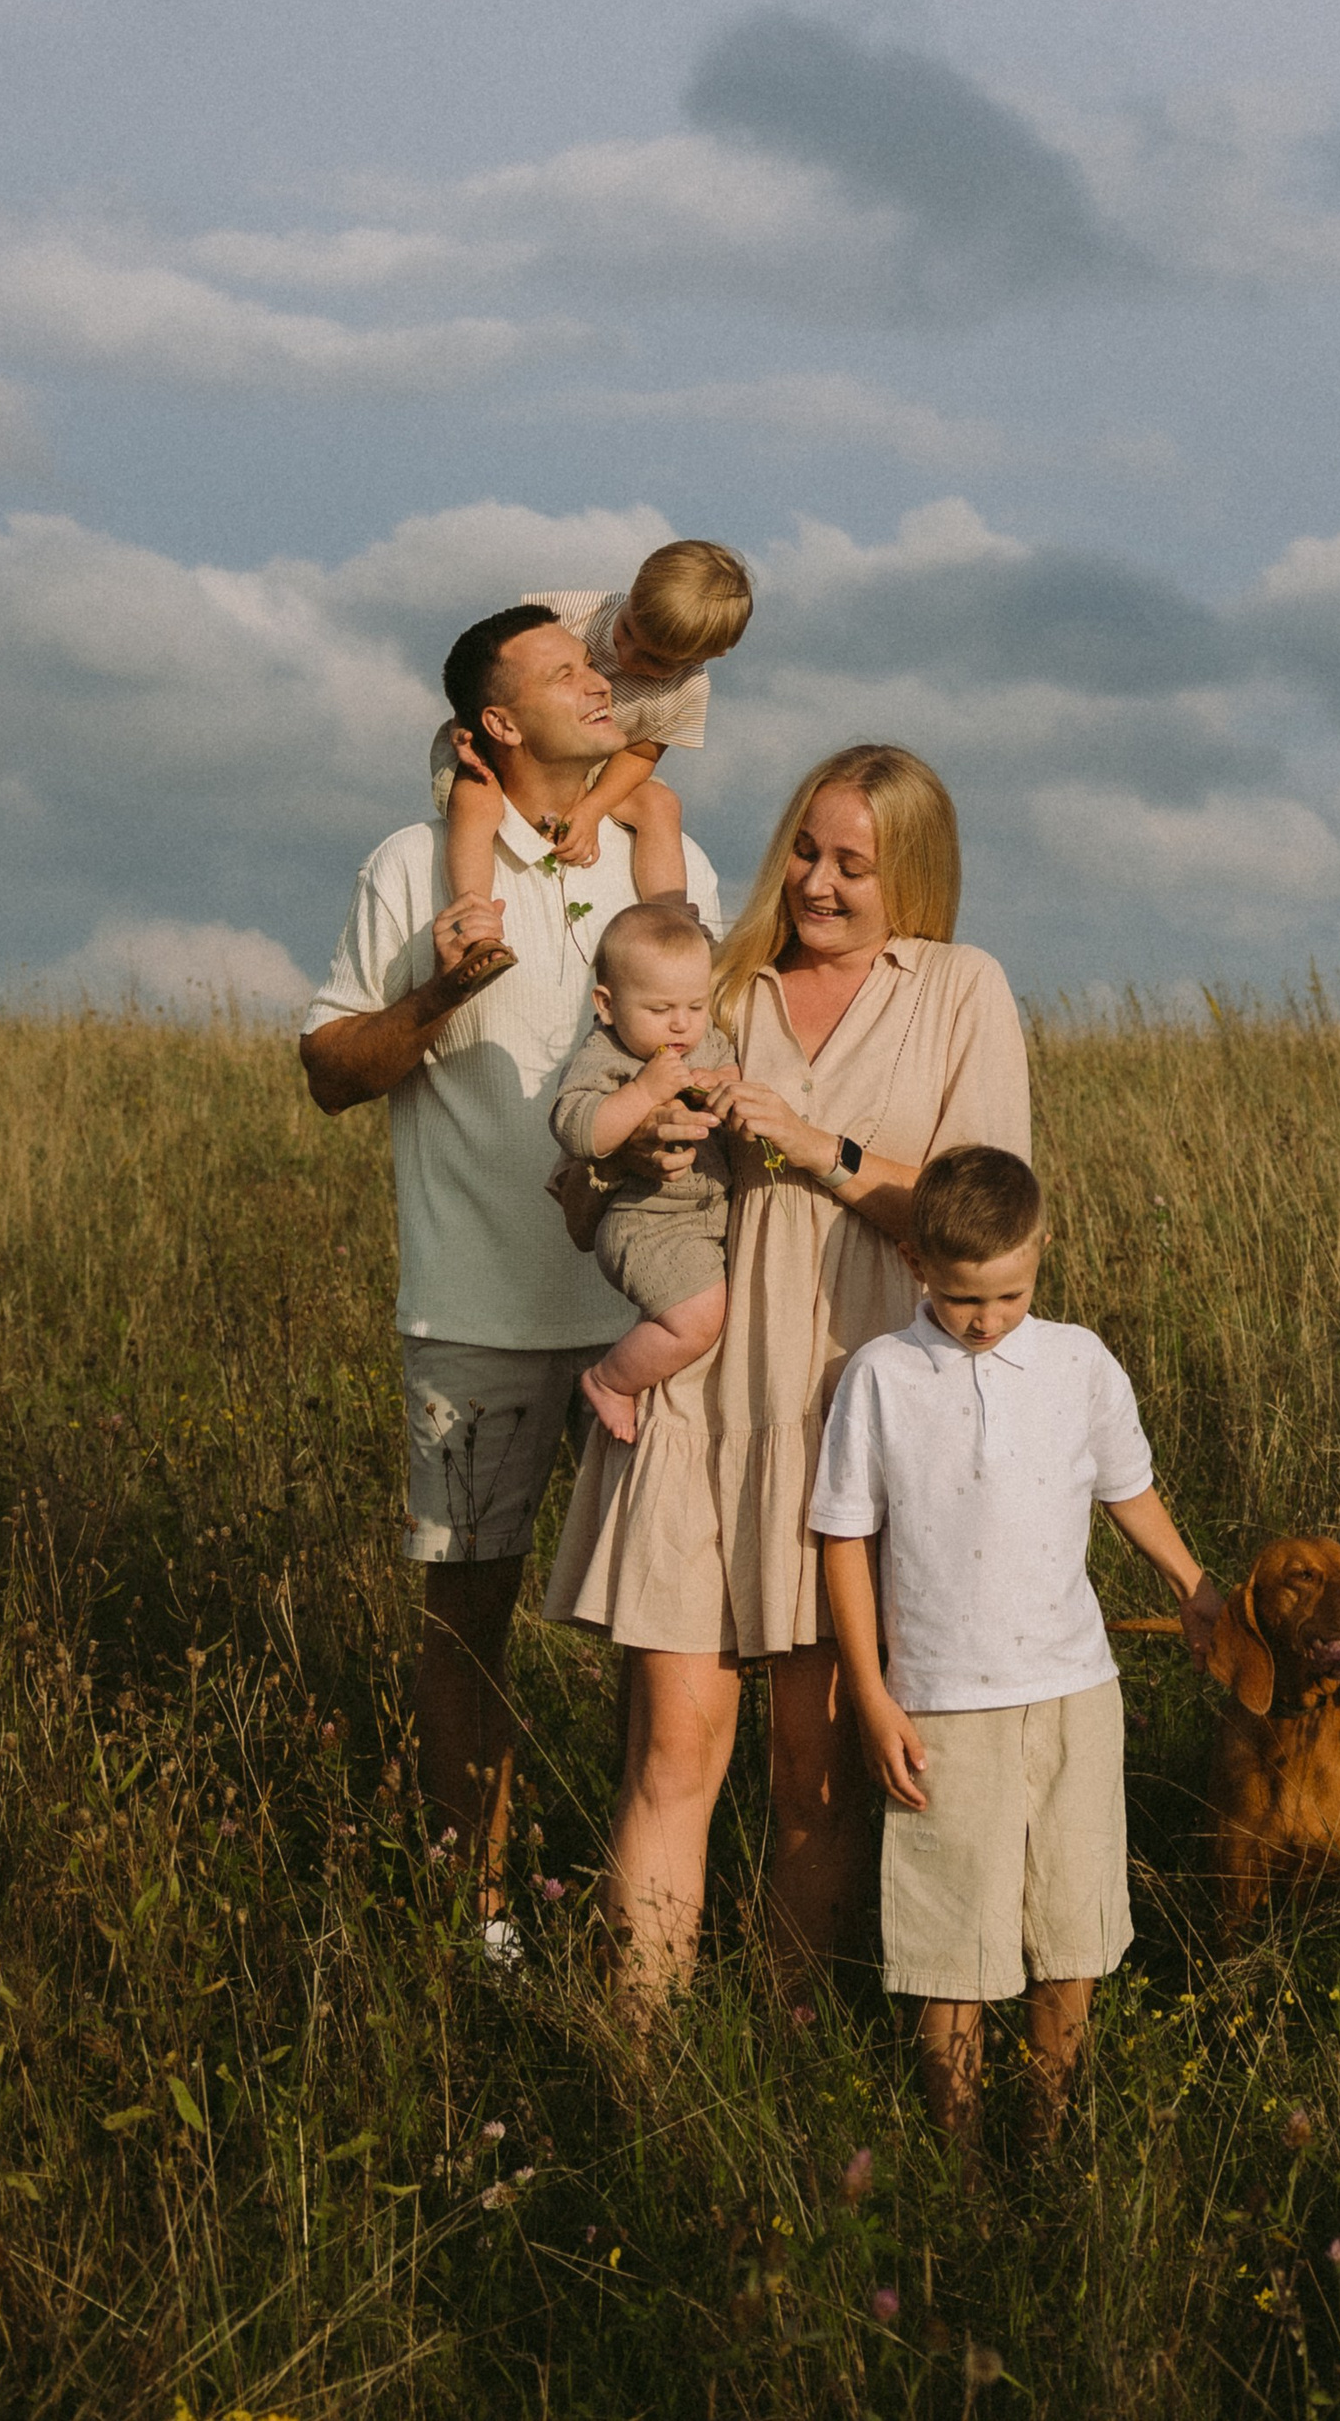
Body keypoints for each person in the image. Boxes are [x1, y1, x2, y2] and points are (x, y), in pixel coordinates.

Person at [543, 742, 1027, 2018]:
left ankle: (782, 2048)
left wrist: (816, 1146)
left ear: (910, 870)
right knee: (671, 1752)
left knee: (814, 1771)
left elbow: (986, 1228)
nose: (816, 882)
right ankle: (639, 2065)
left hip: (854, 1419)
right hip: (697, 1404)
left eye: (852, 864)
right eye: (805, 851)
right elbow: (574, 1188)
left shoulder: (961, 989)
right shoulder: (717, 986)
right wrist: (630, 1151)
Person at [300, 602, 721, 1965]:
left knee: (659, 1635)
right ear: (495, 720)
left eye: (594, 665)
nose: (596, 683)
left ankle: (636, 1916)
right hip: (474, 1317)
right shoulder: (414, 862)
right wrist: (435, 994)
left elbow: (709, 1049)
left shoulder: (670, 866)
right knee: (467, 1623)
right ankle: (478, 1923)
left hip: (646, 1318)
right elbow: (328, 1072)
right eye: (561, 672)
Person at [812, 1144, 1219, 2147]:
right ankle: (954, 2159)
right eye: (961, 1297)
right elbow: (843, 1539)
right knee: (950, 1941)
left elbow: (1127, 1487)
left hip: (1075, 1692)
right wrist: (870, 1695)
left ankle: (1049, 2132)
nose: (985, 1318)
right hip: (942, 1707)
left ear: (1040, 1254)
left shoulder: (1079, 1363)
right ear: (914, 1262)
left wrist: (1193, 1583)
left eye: (1008, 1293)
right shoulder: (880, 1376)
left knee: (1071, 1926)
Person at [433, 539, 750, 944]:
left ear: (711, 655)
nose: (627, 657)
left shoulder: (688, 689)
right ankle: (474, 915)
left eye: (655, 661)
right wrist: (465, 725)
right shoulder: (581, 612)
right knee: (475, 795)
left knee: (660, 804)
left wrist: (591, 810)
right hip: (502, 744)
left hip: (605, 764)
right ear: (630, 592)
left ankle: (670, 918)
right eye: (627, 630)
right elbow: (494, 666)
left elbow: (640, 755)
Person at [551, 900, 737, 1449]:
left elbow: (731, 1065)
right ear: (607, 1005)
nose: (681, 1023)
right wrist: (643, 1091)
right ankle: (610, 1381)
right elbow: (577, 1129)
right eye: (660, 1009)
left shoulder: (701, 1040)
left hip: (703, 1220)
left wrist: (724, 1080)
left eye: (695, 1005)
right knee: (698, 1319)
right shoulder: (605, 1056)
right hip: (646, 1224)